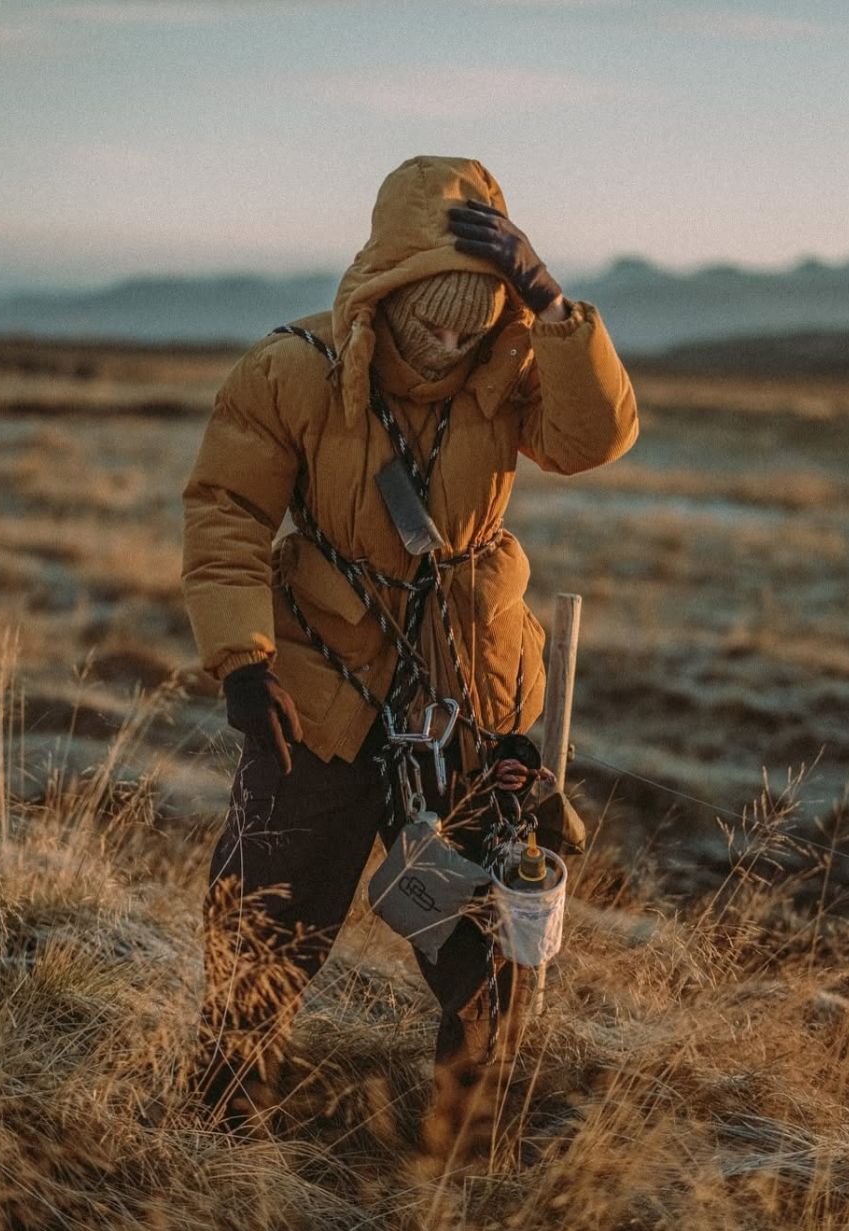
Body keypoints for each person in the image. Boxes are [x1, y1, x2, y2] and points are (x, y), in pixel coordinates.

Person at [182, 155, 638, 1148]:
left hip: (472, 689)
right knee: (268, 913)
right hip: (318, 689)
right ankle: (216, 1130)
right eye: (427, 318)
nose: (446, 343)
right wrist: (243, 660)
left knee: (490, 937)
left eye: (470, 321)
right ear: (382, 289)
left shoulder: (515, 365)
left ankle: (468, 1146)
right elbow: (226, 512)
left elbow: (597, 436)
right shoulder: (290, 371)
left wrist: (550, 305)